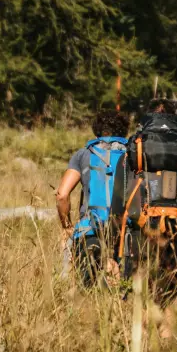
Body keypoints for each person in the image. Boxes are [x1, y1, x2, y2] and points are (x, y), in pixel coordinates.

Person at [111, 99, 177, 335]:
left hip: (138, 237)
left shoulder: (132, 154)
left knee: (140, 300)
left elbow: (118, 208)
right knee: (169, 299)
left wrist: (113, 255)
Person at [56, 109, 131, 288]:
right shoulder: (133, 155)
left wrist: (66, 226)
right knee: (125, 292)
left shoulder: (83, 154)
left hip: (89, 230)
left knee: (87, 290)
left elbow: (62, 194)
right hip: (126, 232)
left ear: (96, 130)